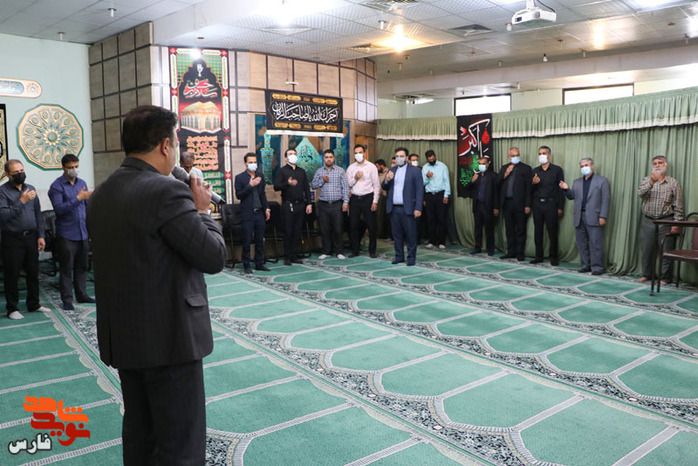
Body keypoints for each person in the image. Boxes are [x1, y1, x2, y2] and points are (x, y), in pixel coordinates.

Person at [86, 105, 226, 465]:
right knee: (180, 444)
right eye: (175, 143)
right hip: (169, 340)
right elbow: (213, 257)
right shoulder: (166, 192)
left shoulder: (102, 194)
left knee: (142, 435)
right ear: (165, 145)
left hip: (125, 337)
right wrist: (202, 211)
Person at [0, 160, 50, 320]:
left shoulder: (31, 189)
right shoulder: (2, 192)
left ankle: (34, 303)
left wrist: (41, 235)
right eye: (16, 172)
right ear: (8, 174)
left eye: (22, 170)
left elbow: (38, 214)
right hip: (12, 238)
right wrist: (22, 201)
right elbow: (3, 215)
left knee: (33, 272)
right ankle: (12, 308)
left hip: (31, 237)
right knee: (12, 274)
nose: (20, 174)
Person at [48, 153, 95, 310]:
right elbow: (59, 210)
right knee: (66, 268)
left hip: (83, 233)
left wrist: (90, 231)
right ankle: (67, 300)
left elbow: (87, 208)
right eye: (70, 167)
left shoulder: (82, 183)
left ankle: (82, 295)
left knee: (82, 267)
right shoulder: (56, 186)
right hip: (66, 234)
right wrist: (78, 198)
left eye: (76, 166)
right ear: (63, 168)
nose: (74, 169)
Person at [559, 158, 610, 275]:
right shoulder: (577, 182)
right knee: (581, 243)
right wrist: (566, 189)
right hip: (579, 216)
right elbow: (571, 196)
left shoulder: (602, 181)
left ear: (592, 166)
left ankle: (597, 267)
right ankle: (585, 265)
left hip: (594, 216)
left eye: (586, 165)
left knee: (595, 243)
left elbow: (605, 200)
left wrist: (603, 216)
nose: (584, 168)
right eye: (581, 166)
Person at [637, 155, 683, 283]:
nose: (657, 165)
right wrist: (652, 182)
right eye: (655, 163)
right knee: (647, 250)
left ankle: (665, 277)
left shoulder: (673, 182)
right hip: (648, 220)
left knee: (666, 250)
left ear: (666, 165)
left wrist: (676, 223)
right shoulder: (646, 180)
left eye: (660, 163)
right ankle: (646, 274)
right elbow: (640, 194)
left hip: (666, 220)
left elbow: (678, 205)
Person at [382, 147, 424, 266]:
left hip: (408, 208)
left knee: (411, 235)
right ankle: (399, 256)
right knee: (397, 235)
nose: (399, 158)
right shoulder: (392, 170)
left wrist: (418, 208)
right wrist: (386, 179)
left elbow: (420, 190)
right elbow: (384, 187)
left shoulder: (415, 171)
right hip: (394, 208)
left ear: (406, 158)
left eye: (401, 156)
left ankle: (411, 258)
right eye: (397, 156)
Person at [274, 148, 312, 265]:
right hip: (288, 205)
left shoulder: (302, 171)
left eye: (294, 154)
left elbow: (306, 188)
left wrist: (309, 203)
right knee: (288, 231)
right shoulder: (282, 171)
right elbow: (276, 187)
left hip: (300, 205)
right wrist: (288, 183)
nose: (293, 155)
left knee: (297, 231)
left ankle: (294, 255)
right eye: (290, 154)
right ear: (286, 158)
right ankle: (287, 256)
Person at [234, 152, 271, 274]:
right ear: (245, 163)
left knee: (260, 239)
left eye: (255, 162)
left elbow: (263, 194)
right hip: (247, 213)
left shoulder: (260, 176)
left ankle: (259, 263)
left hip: (259, 212)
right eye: (250, 162)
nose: (253, 164)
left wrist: (267, 208)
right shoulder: (240, 178)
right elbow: (239, 195)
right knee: (247, 240)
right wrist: (250, 185)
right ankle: (246, 264)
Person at [311, 149, 349, 260]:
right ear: (323, 159)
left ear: (334, 158)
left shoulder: (340, 171)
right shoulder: (319, 171)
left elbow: (345, 187)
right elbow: (313, 185)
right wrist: (322, 181)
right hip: (323, 205)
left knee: (338, 229)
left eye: (330, 157)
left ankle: (339, 251)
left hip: (337, 204)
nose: (329, 159)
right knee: (324, 229)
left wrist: (346, 202)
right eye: (326, 157)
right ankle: (326, 251)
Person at [531, 145, 564, 265]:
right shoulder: (535, 171)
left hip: (551, 204)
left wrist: (560, 207)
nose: (541, 156)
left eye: (544, 153)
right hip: (537, 205)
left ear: (549, 155)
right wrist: (533, 183)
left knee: (552, 232)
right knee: (538, 232)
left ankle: (553, 257)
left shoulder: (557, 170)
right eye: (540, 153)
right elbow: (530, 190)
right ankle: (538, 256)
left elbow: (561, 189)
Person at [346, 144, 380, 258]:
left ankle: (372, 251)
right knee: (353, 225)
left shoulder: (371, 167)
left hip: (368, 198)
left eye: (360, 152)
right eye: (356, 153)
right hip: (355, 199)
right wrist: (355, 178)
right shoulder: (351, 168)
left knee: (371, 226)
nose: (358, 155)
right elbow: (348, 185)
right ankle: (354, 250)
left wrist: (375, 201)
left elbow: (376, 185)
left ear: (365, 153)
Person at [499, 147, 532, 261]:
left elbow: (529, 188)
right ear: (509, 157)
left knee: (521, 229)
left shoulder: (526, 168)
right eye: (513, 155)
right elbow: (498, 183)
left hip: (520, 204)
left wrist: (528, 204)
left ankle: (519, 253)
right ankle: (510, 252)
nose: (515, 157)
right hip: (507, 203)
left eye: (517, 155)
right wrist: (506, 174)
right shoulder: (504, 168)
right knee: (509, 229)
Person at [464, 156, 500, 255]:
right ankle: (477, 247)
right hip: (477, 205)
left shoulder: (493, 176)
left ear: (488, 164)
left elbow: (496, 193)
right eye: (479, 164)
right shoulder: (477, 176)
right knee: (477, 229)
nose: (481, 165)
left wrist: (496, 207)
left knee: (489, 229)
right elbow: (467, 188)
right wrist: (472, 181)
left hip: (488, 206)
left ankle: (490, 249)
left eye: (483, 163)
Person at [422, 149, 450, 249]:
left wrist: (446, 195)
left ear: (435, 156)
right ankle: (432, 241)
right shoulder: (425, 168)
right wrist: (427, 177)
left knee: (441, 219)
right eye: (430, 159)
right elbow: (422, 183)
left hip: (440, 195)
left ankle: (441, 242)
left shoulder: (443, 166)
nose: (432, 160)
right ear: (427, 159)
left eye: (433, 158)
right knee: (430, 219)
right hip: (429, 195)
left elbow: (446, 181)